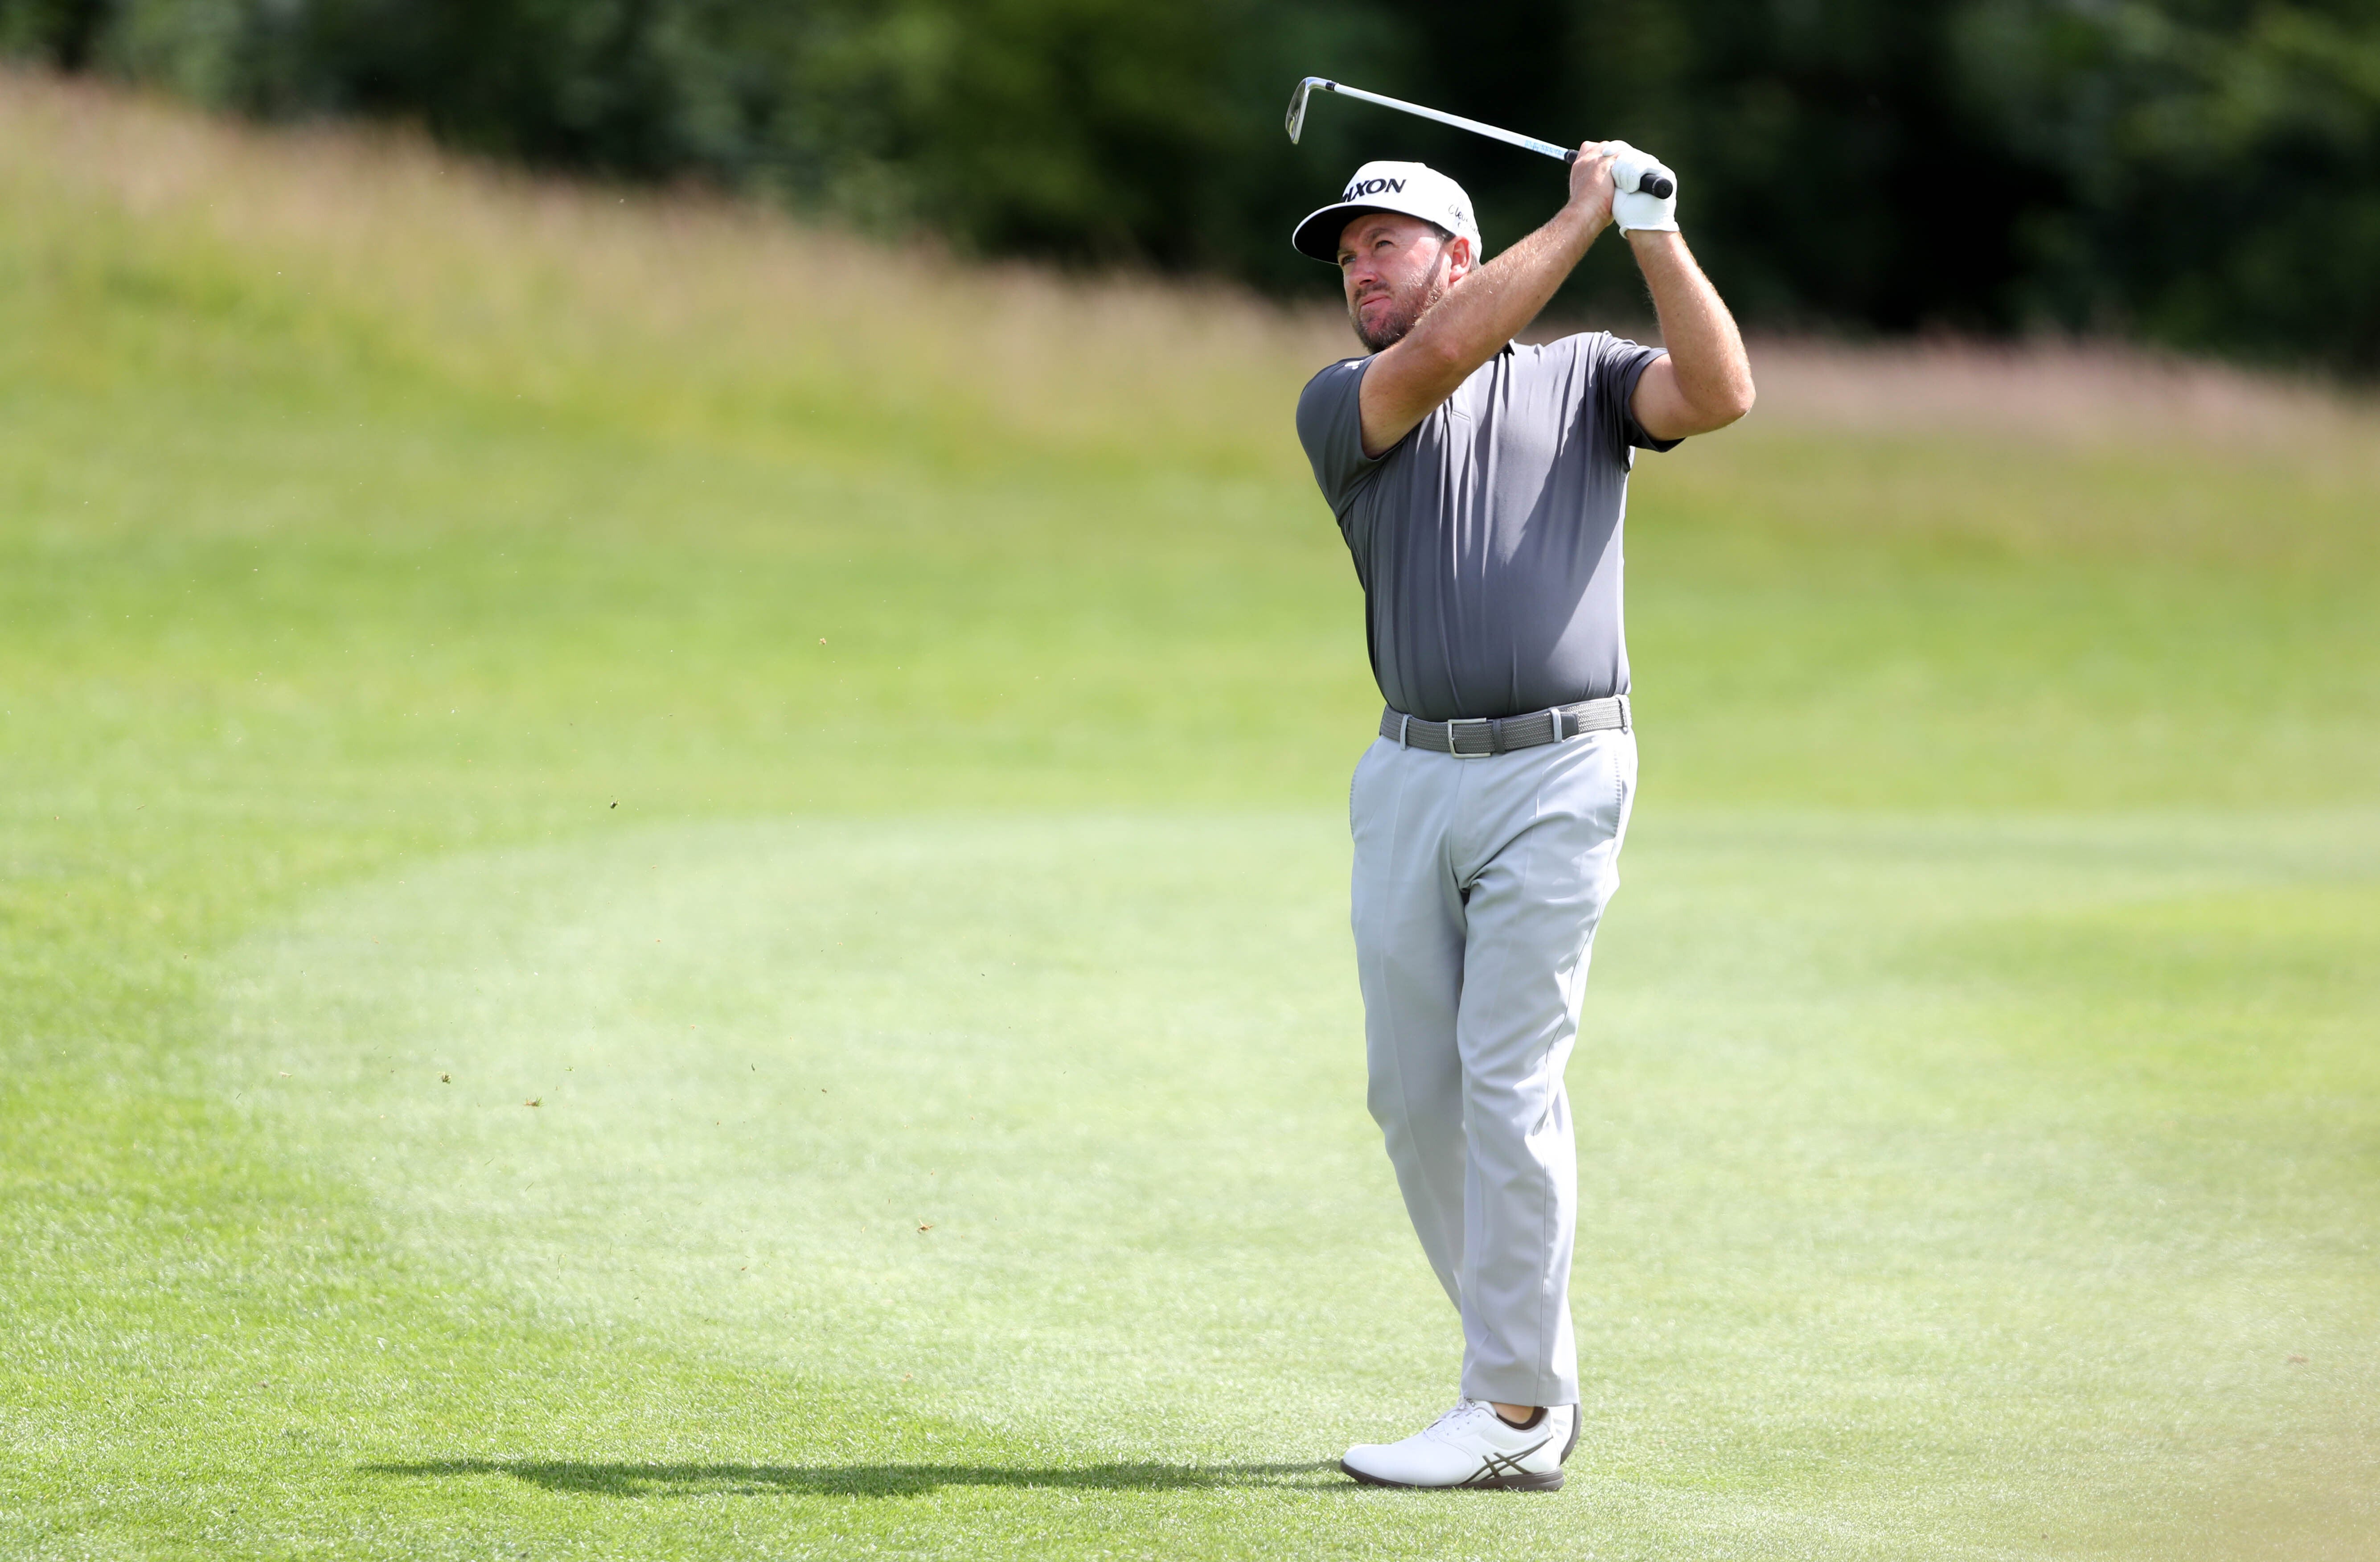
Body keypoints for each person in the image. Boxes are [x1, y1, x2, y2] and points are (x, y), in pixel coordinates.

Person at [1291, 143, 1753, 1491]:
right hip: (1409, 774)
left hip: (1562, 770)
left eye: (1384, 243)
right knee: (1412, 1098)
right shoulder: (1344, 401)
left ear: (1459, 253)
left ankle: (1512, 1407)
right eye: (1346, 256)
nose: (1359, 271)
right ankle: (1523, 1370)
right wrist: (1582, 214)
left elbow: (1720, 393)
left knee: (1506, 1079)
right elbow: (1443, 356)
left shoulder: (1588, 376)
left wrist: (1651, 232)